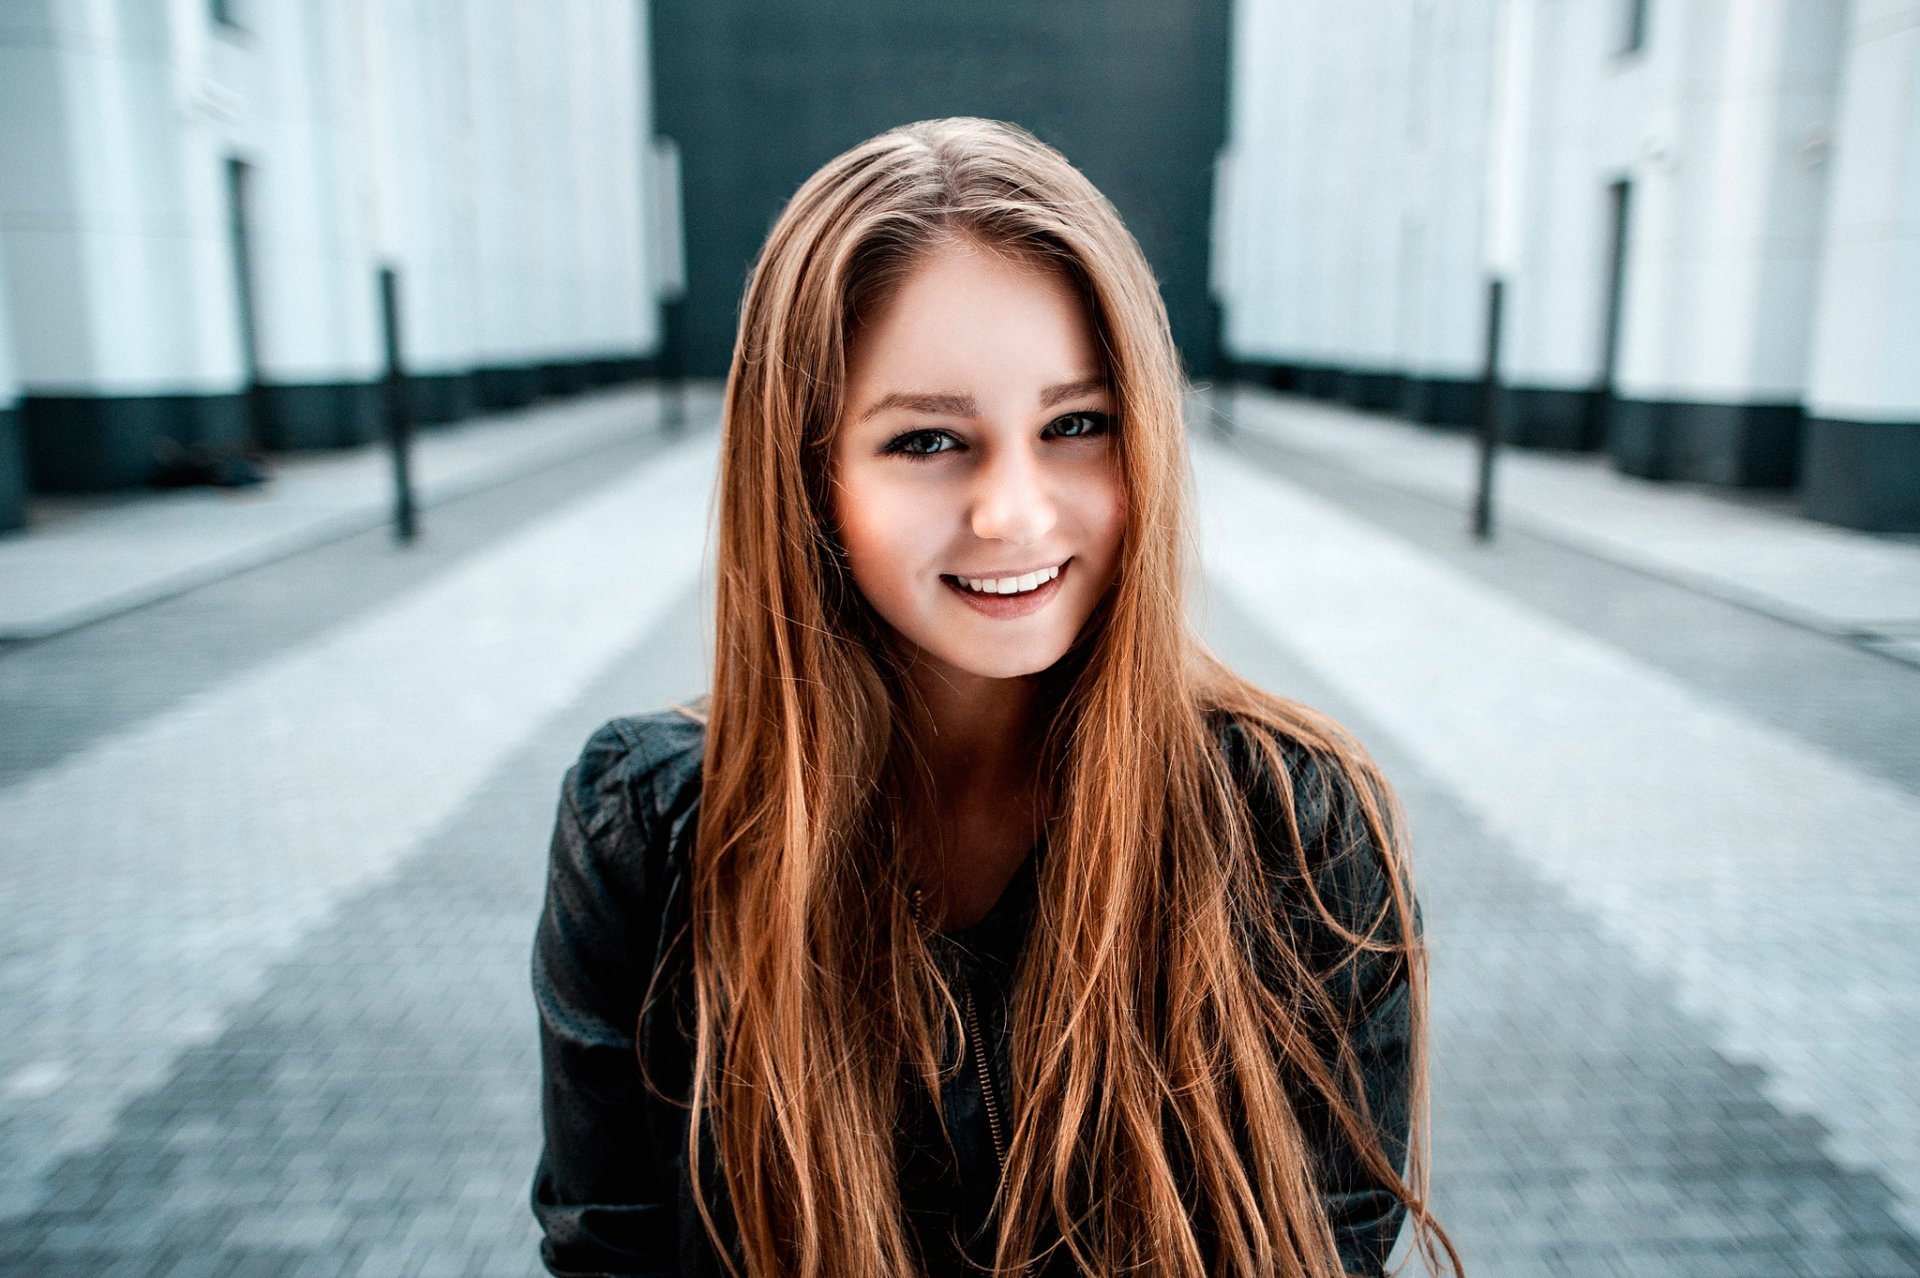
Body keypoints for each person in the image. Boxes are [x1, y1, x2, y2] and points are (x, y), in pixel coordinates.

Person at [530, 117, 1459, 1278]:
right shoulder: (647, 828)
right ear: (808, 476)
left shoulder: (1300, 827)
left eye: (1077, 426)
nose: (1014, 512)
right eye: (927, 441)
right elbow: (607, 1251)